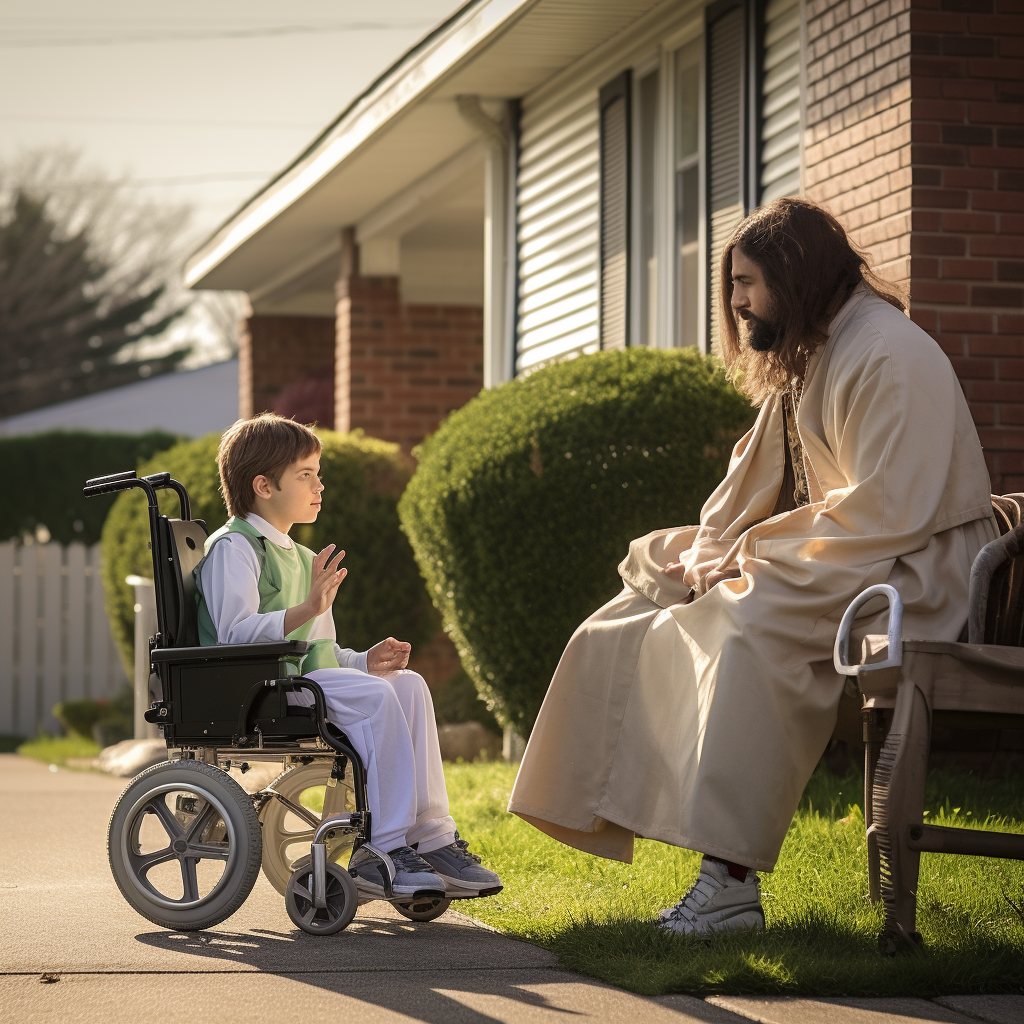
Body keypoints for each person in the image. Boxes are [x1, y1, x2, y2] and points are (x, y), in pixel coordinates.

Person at [507, 197, 997, 936]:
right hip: (851, 557)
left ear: (796, 275)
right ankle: (587, 802)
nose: (736, 304)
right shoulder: (814, 349)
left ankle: (729, 883)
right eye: (731, 285)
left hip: (914, 574)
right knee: (645, 594)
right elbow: (748, 486)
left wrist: (749, 557)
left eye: (747, 283)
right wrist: (711, 551)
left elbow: (890, 506)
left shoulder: (888, 353)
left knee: (746, 624)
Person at [195, 413, 502, 902]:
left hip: (301, 681)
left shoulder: (299, 554)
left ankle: (431, 839)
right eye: (306, 474)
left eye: (318, 473)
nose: (321, 484)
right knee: (379, 700)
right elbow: (234, 635)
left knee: (408, 683)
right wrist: (306, 607)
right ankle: (382, 849)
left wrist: (364, 662)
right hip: (257, 690)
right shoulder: (234, 549)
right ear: (263, 485)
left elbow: (322, 650)